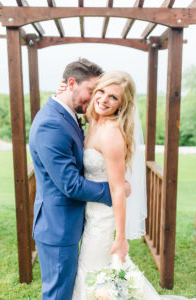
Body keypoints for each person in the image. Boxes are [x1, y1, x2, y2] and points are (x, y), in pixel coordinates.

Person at [29, 58, 130, 300]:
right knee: (58, 294)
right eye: (92, 91)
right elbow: (70, 185)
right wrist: (116, 190)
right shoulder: (52, 124)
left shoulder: (69, 115)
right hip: (57, 226)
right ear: (71, 83)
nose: (95, 98)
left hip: (71, 222)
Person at [71, 70, 148, 299]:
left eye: (113, 97)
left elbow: (117, 189)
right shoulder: (94, 121)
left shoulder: (112, 134)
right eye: (101, 91)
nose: (104, 99)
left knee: (92, 274)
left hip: (103, 220)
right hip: (89, 213)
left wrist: (121, 237)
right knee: (97, 274)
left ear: (122, 105)